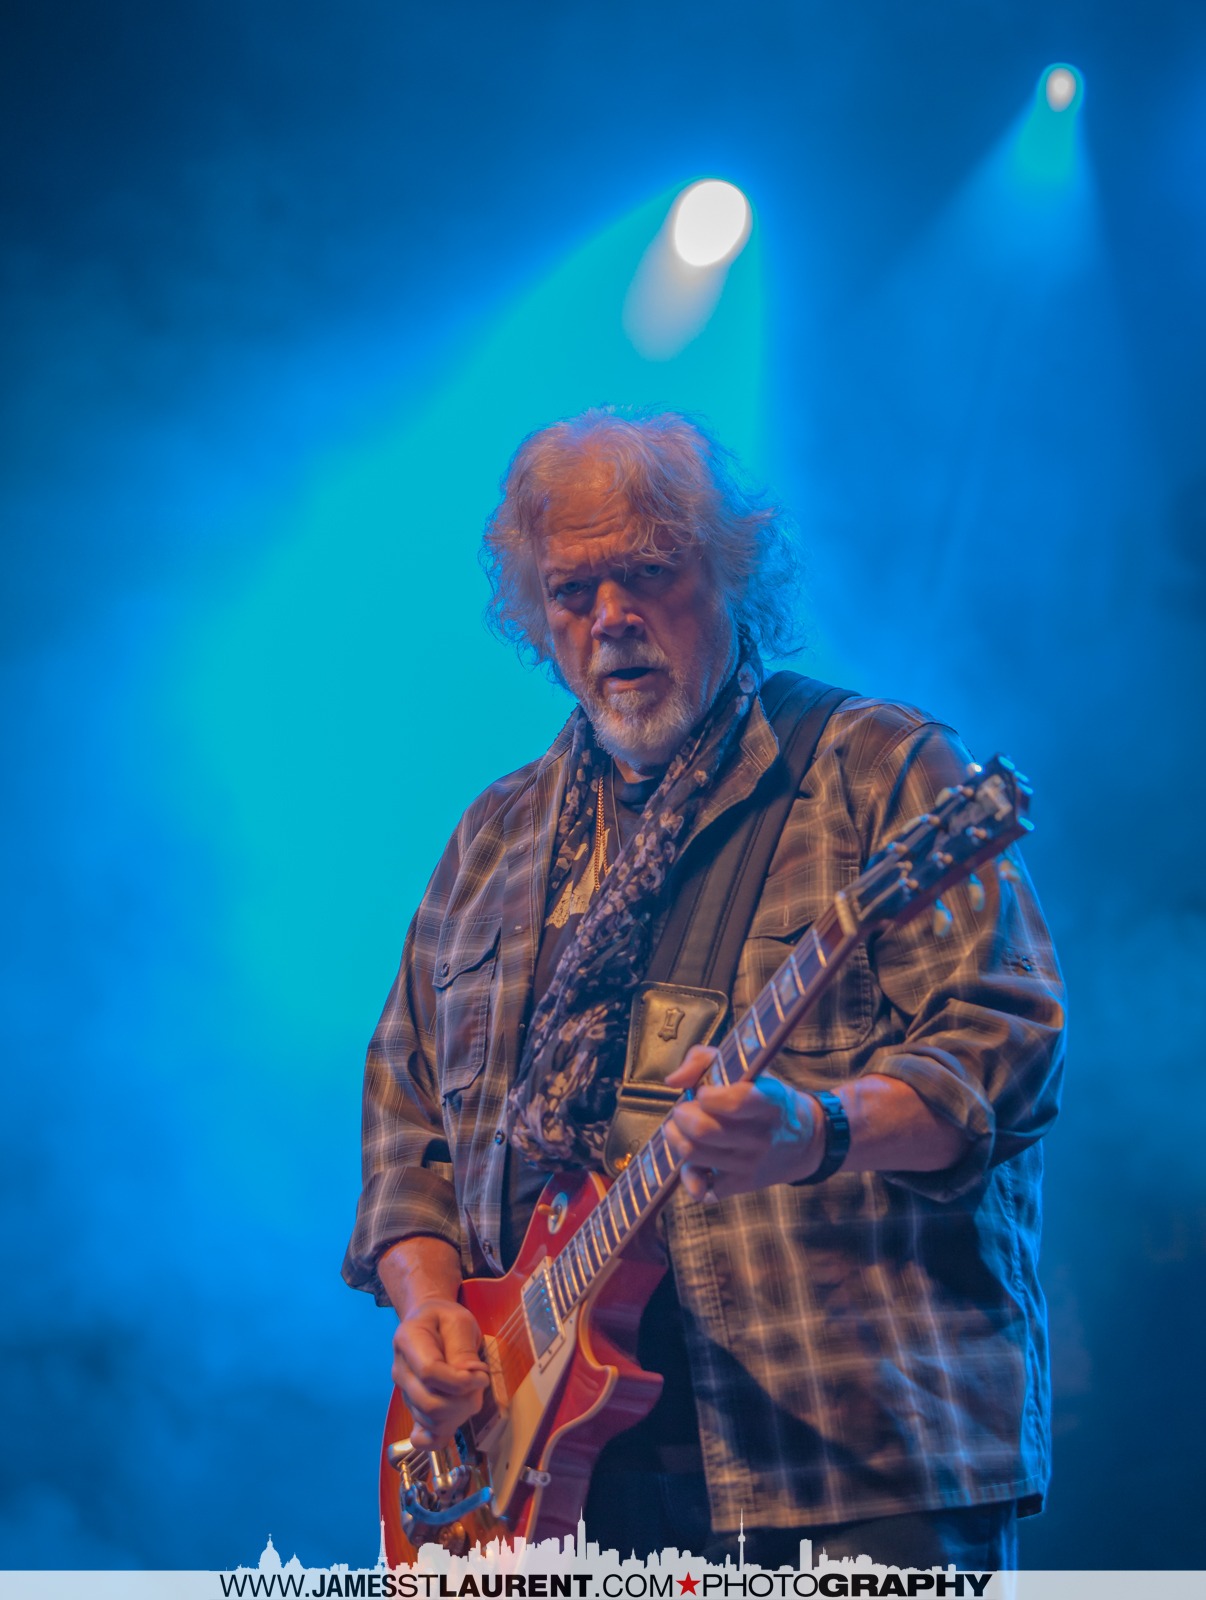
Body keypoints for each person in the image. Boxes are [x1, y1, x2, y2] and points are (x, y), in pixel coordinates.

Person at [342, 408, 1065, 1571]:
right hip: (544, 1480)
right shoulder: (493, 836)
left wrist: (818, 1129)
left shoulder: (879, 770)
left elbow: (1004, 1045)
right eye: (573, 591)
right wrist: (430, 1307)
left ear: (731, 573)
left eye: (647, 573)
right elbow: (403, 1122)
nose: (611, 617)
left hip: (843, 1459)